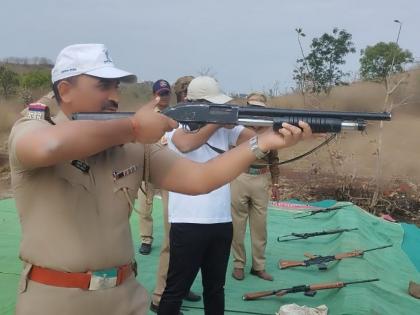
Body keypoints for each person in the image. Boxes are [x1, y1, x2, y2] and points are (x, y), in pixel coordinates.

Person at [9, 44, 313, 315]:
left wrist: (263, 143)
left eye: (116, 86)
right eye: (103, 85)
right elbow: (47, 146)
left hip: (125, 297)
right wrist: (133, 127)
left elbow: (200, 178)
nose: (115, 96)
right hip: (55, 300)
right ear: (65, 90)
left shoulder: (131, 146)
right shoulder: (33, 129)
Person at [158, 76, 256, 315]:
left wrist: (232, 121)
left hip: (221, 222)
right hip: (187, 222)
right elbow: (186, 145)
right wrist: (216, 121)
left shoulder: (224, 130)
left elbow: (254, 139)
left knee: (215, 288)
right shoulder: (177, 127)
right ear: (195, 104)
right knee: (175, 290)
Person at [150, 76, 201, 313]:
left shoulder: (200, 118)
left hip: (195, 183)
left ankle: (181, 287)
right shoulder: (168, 118)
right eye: (188, 95)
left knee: (193, 242)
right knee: (173, 242)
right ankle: (160, 296)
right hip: (174, 183)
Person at [231, 92, 280, 282]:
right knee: (237, 225)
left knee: (260, 226)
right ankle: (238, 264)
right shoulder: (237, 128)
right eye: (253, 107)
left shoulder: (270, 130)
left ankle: (258, 266)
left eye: (259, 108)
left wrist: (275, 183)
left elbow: (274, 159)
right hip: (240, 177)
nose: (256, 111)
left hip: (261, 179)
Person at [138, 79, 172, 255]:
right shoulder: (146, 115)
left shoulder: (176, 114)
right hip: (148, 167)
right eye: (161, 93)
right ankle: (146, 238)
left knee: (169, 210)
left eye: (166, 93)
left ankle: (170, 240)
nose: (164, 96)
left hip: (168, 169)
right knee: (145, 207)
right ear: (154, 95)